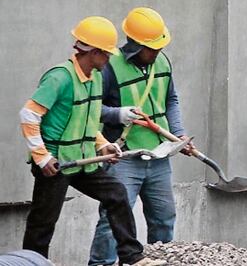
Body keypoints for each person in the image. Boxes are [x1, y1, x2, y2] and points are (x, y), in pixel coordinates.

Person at [19, 16, 165, 266]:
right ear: (94, 52)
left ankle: (132, 256)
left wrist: (103, 144)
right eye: (106, 54)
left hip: (83, 160)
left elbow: (87, 120)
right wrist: (42, 157)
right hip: (56, 163)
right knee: (43, 222)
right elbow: (29, 115)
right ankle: (31, 263)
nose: (110, 59)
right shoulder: (60, 77)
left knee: (116, 193)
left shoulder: (95, 77)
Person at [89, 7, 190, 266]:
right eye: (151, 48)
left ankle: (158, 261)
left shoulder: (162, 62)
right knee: (112, 221)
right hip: (124, 157)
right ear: (135, 45)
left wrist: (178, 133)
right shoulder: (109, 67)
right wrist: (117, 114)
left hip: (159, 155)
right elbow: (89, 109)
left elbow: (171, 100)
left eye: (159, 47)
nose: (156, 53)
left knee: (164, 218)